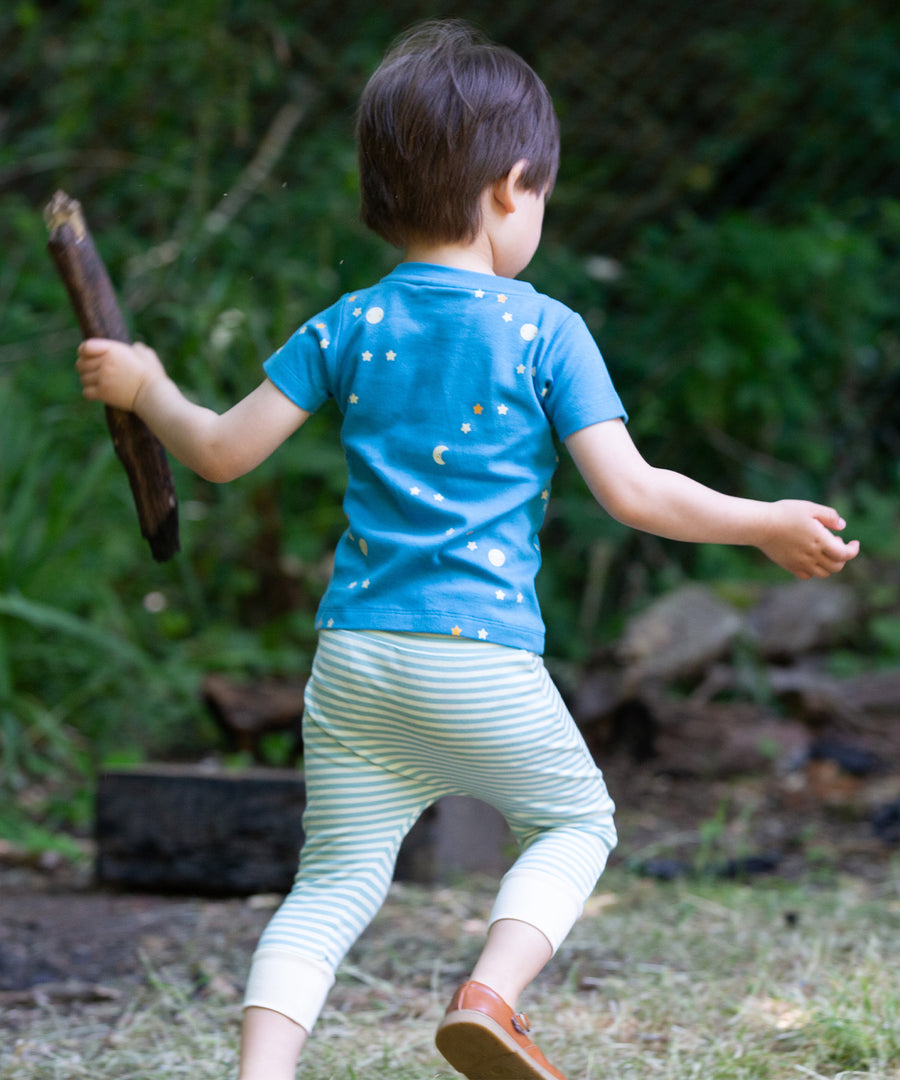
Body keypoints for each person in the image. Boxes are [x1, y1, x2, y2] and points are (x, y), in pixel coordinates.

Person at [76, 19, 859, 1080]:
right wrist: (763, 518)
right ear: (508, 188)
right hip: (478, 658)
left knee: (333, 886)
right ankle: (490, 997)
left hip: (355, 662)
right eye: (541, 194)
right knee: (578, 823)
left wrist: (145, 387)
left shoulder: (347, 325)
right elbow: (635, 492)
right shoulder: (544, 330)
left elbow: (216, 453)